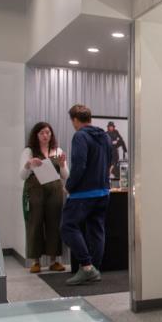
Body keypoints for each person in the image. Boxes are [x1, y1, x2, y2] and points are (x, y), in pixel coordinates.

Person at [60, 104, 114, 286]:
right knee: (96, 229)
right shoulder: (105, 137)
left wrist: (69, 186)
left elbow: (79, 165)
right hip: (103, 192)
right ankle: (95, 268)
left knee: (67, 227)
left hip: (83, 194)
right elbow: (110, 163)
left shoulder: (80, 136)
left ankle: (87, 268)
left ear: (75, 120)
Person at [19, 122, 69, 273]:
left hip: (55, 191)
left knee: (55, 223)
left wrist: (61, 165)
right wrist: (28, 165)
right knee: (35, 223)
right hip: (34, 190)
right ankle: (36, 261)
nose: (46, 135)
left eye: (48, 132)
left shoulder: (57, 150)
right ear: (36, 135)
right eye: (42, 133)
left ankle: (54, 261)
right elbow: (22, 176)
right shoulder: (29, 151)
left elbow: (66, 175)